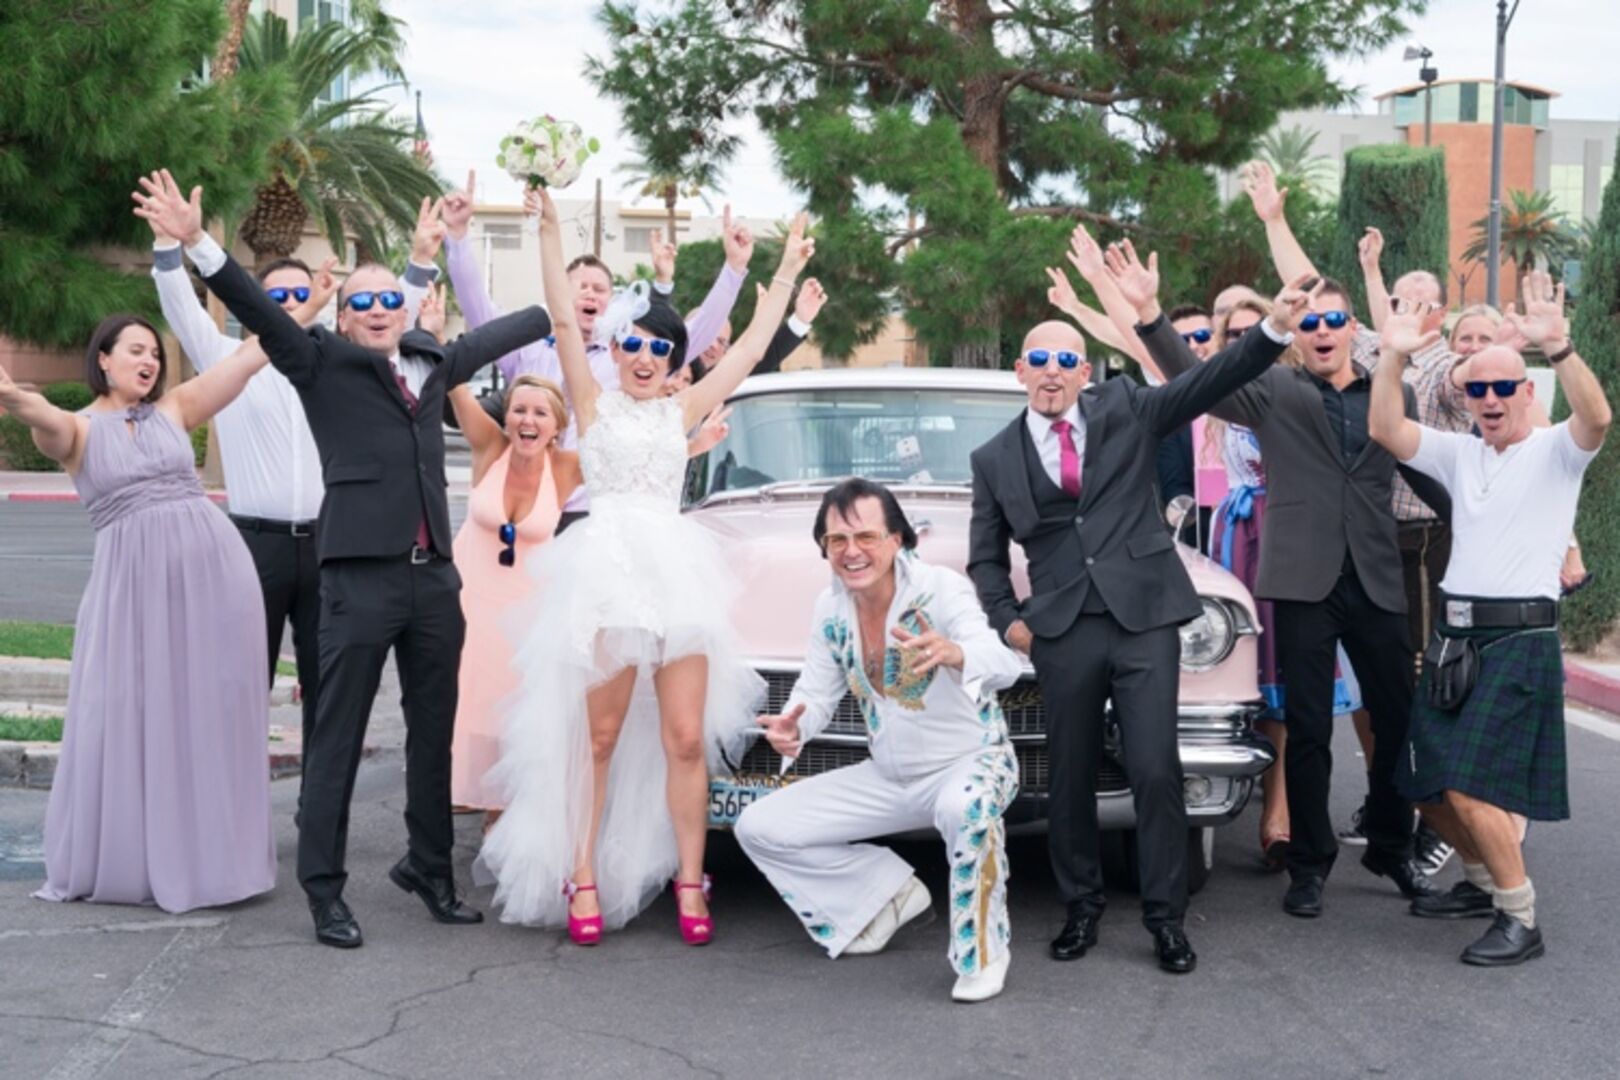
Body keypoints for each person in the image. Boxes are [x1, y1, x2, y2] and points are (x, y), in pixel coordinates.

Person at [134, 169, 555, 948]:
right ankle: (324, 889)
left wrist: (559, 291)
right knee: (336, 733)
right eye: (362, 301)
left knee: (432, 732)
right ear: (345, 314)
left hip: (435, 583)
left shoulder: (433, 360)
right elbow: (261, 309)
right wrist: (197, 245)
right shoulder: (317, 361)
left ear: (407, 306)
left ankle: (429, 867)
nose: (378, 308)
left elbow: (513, 330)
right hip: (358, 578)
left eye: (390, 297)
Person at [969, 227, 1311, 975]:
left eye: (1067, 361)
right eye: (1040, 360)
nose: (1053, 372)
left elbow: (1207, 384)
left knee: (1156, 769)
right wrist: (1012, 625)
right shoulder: (992, 459)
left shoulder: (1126, 406)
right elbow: (985, 559)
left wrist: (1274, 330)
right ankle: (1081, 908)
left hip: (1145, 617)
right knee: (1068, 776)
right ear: (1019, 370)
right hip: (1062, 630)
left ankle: (1166, 918)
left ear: (1084, 370)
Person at [477, 190, 815, 945]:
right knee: (597, 738)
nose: (644, 357)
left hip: (676, 575)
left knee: (686, 738)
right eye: (633, 344)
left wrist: (786, 273)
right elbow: (563, 315)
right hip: (603, 573)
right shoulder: (590, 402)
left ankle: (692, 879)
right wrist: (550, 228)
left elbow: (748, 351)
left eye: (660, 349)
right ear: (618, 347)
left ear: (672, 360)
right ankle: (582, 872)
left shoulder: (682, 409)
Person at [1132, 244, 1447, 917]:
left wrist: (1485, 526)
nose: (1322, 332)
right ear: (1297, 335)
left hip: (1376, 576)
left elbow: (1426, 472)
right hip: (1303, 581)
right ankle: (1309, 863)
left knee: (1397, 720)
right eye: (1309, 323)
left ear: (1353, 327)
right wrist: (1152, 315)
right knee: (1306, 729)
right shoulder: (1273, 391)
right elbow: (1195, 377)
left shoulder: (1393, 392)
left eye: (1333, 321)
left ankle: (1391, 844)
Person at [4, 305, 312, 913]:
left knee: (211, 711)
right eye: (135, 350)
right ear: (103, 359)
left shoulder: (176, 410)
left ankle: (212, 860)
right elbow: (44, 418)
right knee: (127, 710)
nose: (149, 361)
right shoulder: (77, 431)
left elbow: (246, 359)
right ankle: (139, 858)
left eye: (154, 353)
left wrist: (300, 313)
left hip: (218, 582)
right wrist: (13, 397)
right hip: (131, 591)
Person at [146, 181, 443, 755]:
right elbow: (181, 308)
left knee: (326, 686)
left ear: (322, 303)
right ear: (256, 304)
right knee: (241, 684)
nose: (288, 304)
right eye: (276, 296)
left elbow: (385, 313)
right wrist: (167, 247)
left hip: (329, 547)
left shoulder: (342, 370)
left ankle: (317, 798)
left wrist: (421, 260)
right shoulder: (226, 359)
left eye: (300, 294)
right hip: (254, 547)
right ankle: (233, 798)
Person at [1368, 272, 1610, 964]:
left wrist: (1560, 347)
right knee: (1423, 785)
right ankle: (1480, 883)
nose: (1492, 399)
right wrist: (1393, 355)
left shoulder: (1557, 451)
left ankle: (1519, 917)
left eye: (1505, 387)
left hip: (1519, 639)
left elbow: (1597, 418)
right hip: (1455, 639)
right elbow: (1385, 427)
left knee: (1471, 786)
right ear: (1466, 398)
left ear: (1528, 392)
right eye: (1479, 390)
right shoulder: (1461, 452)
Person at [738, 479, 1023, 1001]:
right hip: (890, 775)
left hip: (971, 762)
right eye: (837, 540)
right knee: (760, 827)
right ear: (824, 548)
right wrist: (795, 726)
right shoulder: (830, 609)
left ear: (897, 539)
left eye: (866, 536)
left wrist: (956, 652)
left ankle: (984, 954)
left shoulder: (940, 588)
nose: (852, 552)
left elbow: (1004, 662)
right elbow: (816, 692)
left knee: (964, 808)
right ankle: (886, 898)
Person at [441, 171, 751, 531]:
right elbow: (479, 312)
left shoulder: (628, 358)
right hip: (530, 506)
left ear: (613, 302)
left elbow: (699, 331)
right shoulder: (528, 350)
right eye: (581, 287)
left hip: (594, 512)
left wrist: (733, 270)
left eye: (600, 289)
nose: (590, 294)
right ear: (561, 292)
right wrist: (458, 238)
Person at [443, 367, 580, 821]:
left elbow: (631, 465)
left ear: (557, 426)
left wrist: (691, 445)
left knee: (514, 706)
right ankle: (455, 793)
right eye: (519, 410)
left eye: (540, 413)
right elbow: (455, 386)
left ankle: (500, 814)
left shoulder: (565, 467)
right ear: (506, 419)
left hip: (527, 611)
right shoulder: (490, 447)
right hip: (468, 599)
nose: (528, 420)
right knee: (461, 700)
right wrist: (436, 339)